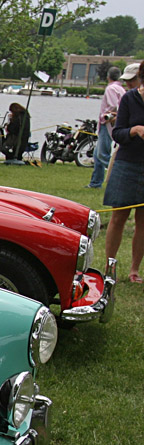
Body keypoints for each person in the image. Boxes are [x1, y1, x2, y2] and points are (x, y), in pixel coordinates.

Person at [103, 61, 144, 283]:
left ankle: (134, 271)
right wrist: (135, 130)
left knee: (143, 220)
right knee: (118, 216)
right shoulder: (129, 99)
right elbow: (117, 133)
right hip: (127, 163)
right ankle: (110, 267)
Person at [89, 66, 125, 189]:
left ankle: (119, 175)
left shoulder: (111, 88)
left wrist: (107, 116)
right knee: (96, 154)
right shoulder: (121, 88)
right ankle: (95, 182)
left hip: (107, 123)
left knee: (102, 154)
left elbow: (113, 105)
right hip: (113, 122)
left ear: (108, 76)